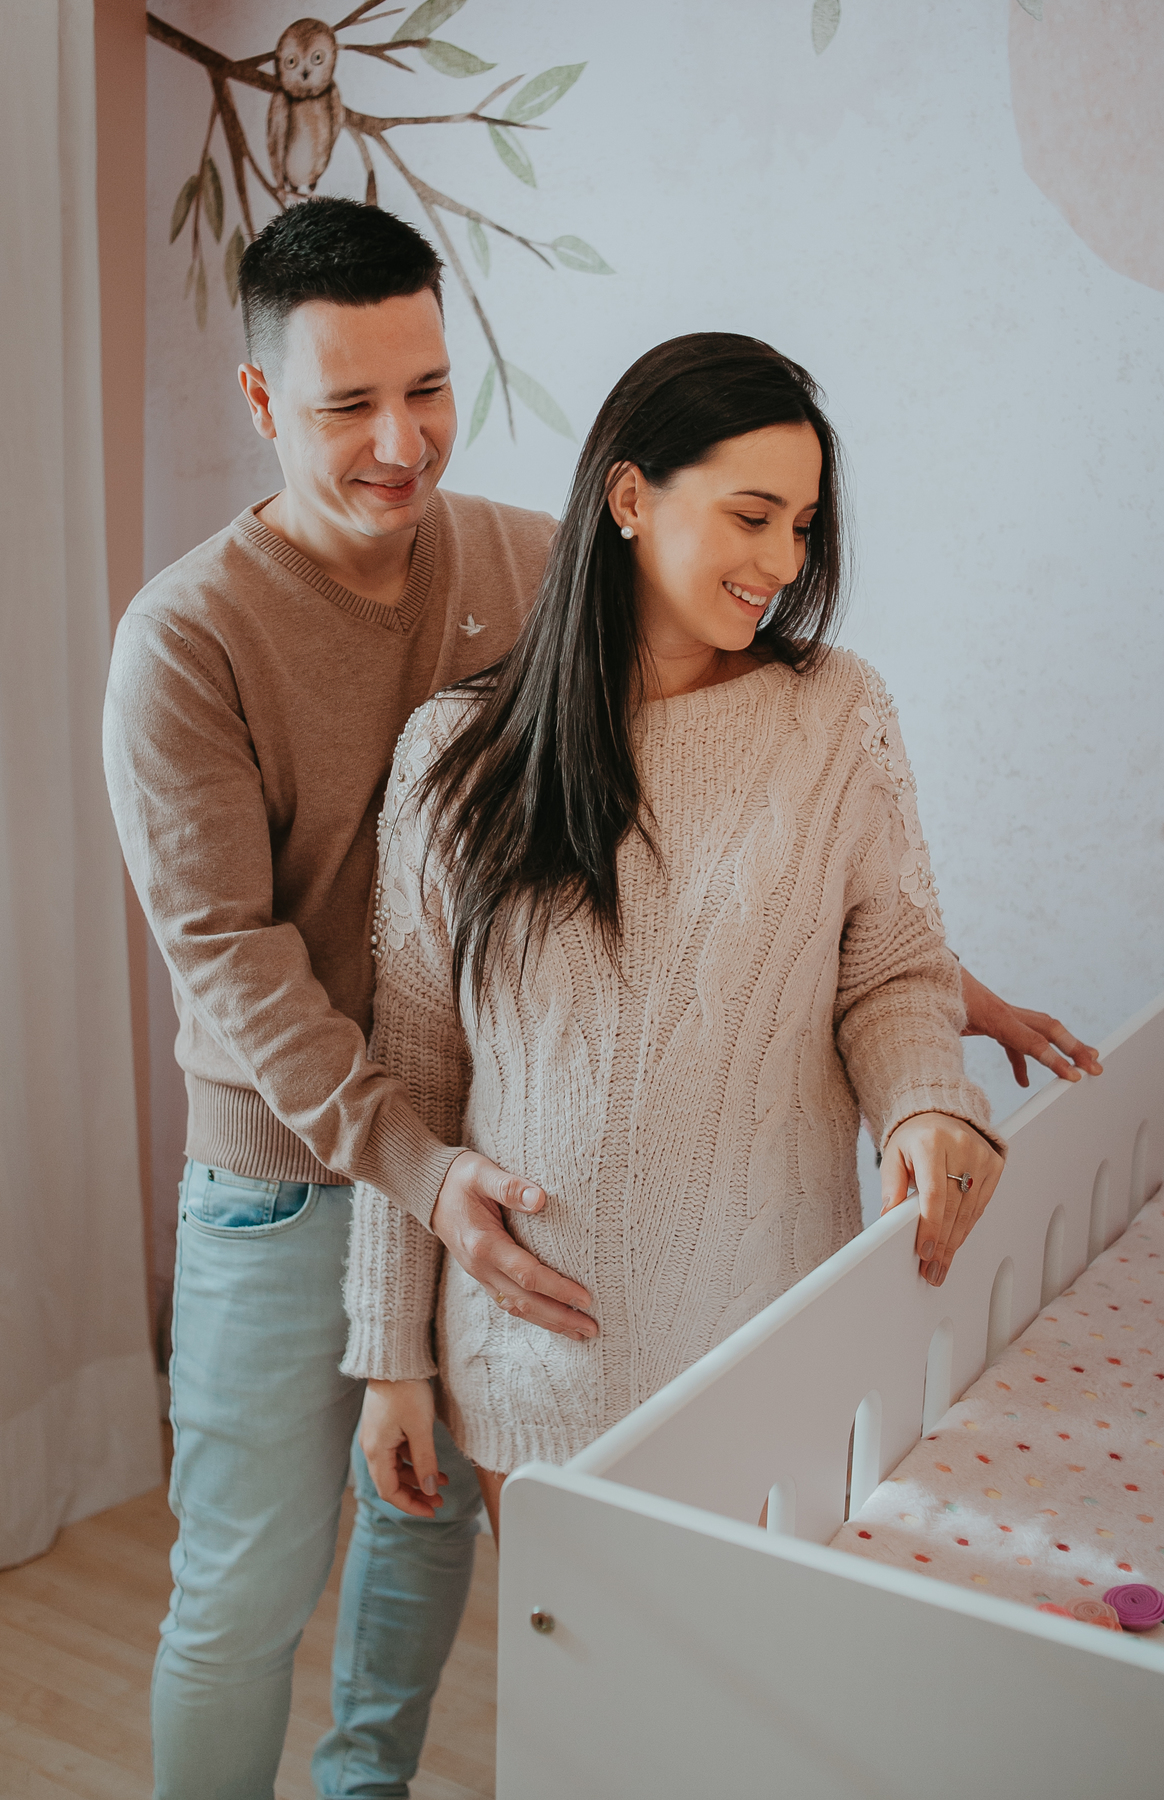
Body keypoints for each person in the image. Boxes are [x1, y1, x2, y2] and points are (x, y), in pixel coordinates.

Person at [103, 198, 1097, 1795]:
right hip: (299, 1170)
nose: (399, 442)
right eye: (349, 404)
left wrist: (926, 1034)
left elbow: (822, 913)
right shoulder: (194, 645)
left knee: (426, 1567)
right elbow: (278, 989)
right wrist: (409, 1276)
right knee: (246, 1592)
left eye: (425, 389)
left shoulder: (544, 565)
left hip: (553, 1219)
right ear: (262, 400)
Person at [345, 333, 1031, 1541]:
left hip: (773, 1344)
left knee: (761, 1707)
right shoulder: (455, 760)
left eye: (804, 526)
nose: (783, 561)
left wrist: (927, 1101)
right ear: (628, 496)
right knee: (593, 1719)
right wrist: (392, 1357)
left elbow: (890, 968)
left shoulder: (837, 715)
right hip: (535, 1366)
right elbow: (412, 1080)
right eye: (752, 515)